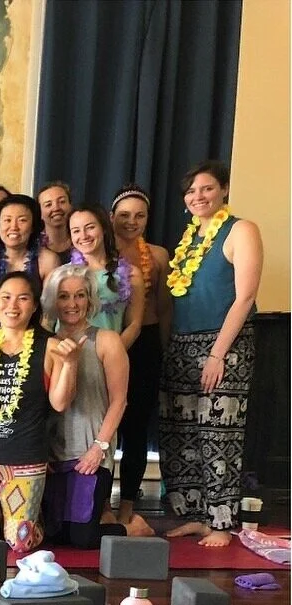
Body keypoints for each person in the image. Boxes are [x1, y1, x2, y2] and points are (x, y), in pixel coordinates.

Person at [160, 161, 262, 548]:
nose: (197, 196)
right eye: (191, 191)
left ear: (223, 190)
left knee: (218, 433)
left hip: (225, 345)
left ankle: (222, 522)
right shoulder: (188, 239)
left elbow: (246, 296)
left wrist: (218, 354)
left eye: (206, 188)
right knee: (181, 434)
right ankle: (196, 516)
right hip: (183, 344)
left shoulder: (241, 230)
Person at [0, 271, 81, 553]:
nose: (13, 305)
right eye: (6, 297)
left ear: (34, 306)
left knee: (20, 543)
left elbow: (60, 403)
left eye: (23, 298)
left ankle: (30, 521)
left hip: (25, 460)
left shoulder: (52, 346)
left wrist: (70, 364)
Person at [40, 264, 154, 547]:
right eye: (64, 296)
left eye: (79, 296)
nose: (72, 304)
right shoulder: (45, 343)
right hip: (53, 454)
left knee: (83, 538)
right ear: (53, 301)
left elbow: (119, 401)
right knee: (53, 536)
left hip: (90, 451)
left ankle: (134, 528)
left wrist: (99, 448)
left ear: (90, 300)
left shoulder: (107, 340)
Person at [109, 184, 171, 523]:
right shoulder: (100, 253)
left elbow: (162, 308)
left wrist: (163, 350)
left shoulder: (158, 256)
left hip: (144, 344)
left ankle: (129, 505)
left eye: (139, 216)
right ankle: (99, 505)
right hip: (107, 341)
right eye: (124, 215)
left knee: (134, 427)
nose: (131, 222)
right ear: (111, 217)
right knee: (104, 424)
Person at [0, 194, 61, 335]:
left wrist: (37, 346)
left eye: (22, 220)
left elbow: (48, 314)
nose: (13, 227)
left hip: (36, 339)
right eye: (7, 220)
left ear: (33, 226)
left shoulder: (49, 260)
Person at [66, 206, 146, 347]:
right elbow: (48, 323)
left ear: (103, 228)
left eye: (90, 227)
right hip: (67, 353)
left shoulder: (131, 274)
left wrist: (114, 352)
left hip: (109, 354)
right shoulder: (62, 274)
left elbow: (134, 325)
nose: (84, 235)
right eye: (76, 231)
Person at [37, 182, 74, 264]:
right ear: (39, 213)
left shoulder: (82, 241)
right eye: (48, 205)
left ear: (70, 206)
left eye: (62, 202)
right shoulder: (33, 248)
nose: (56, 208)